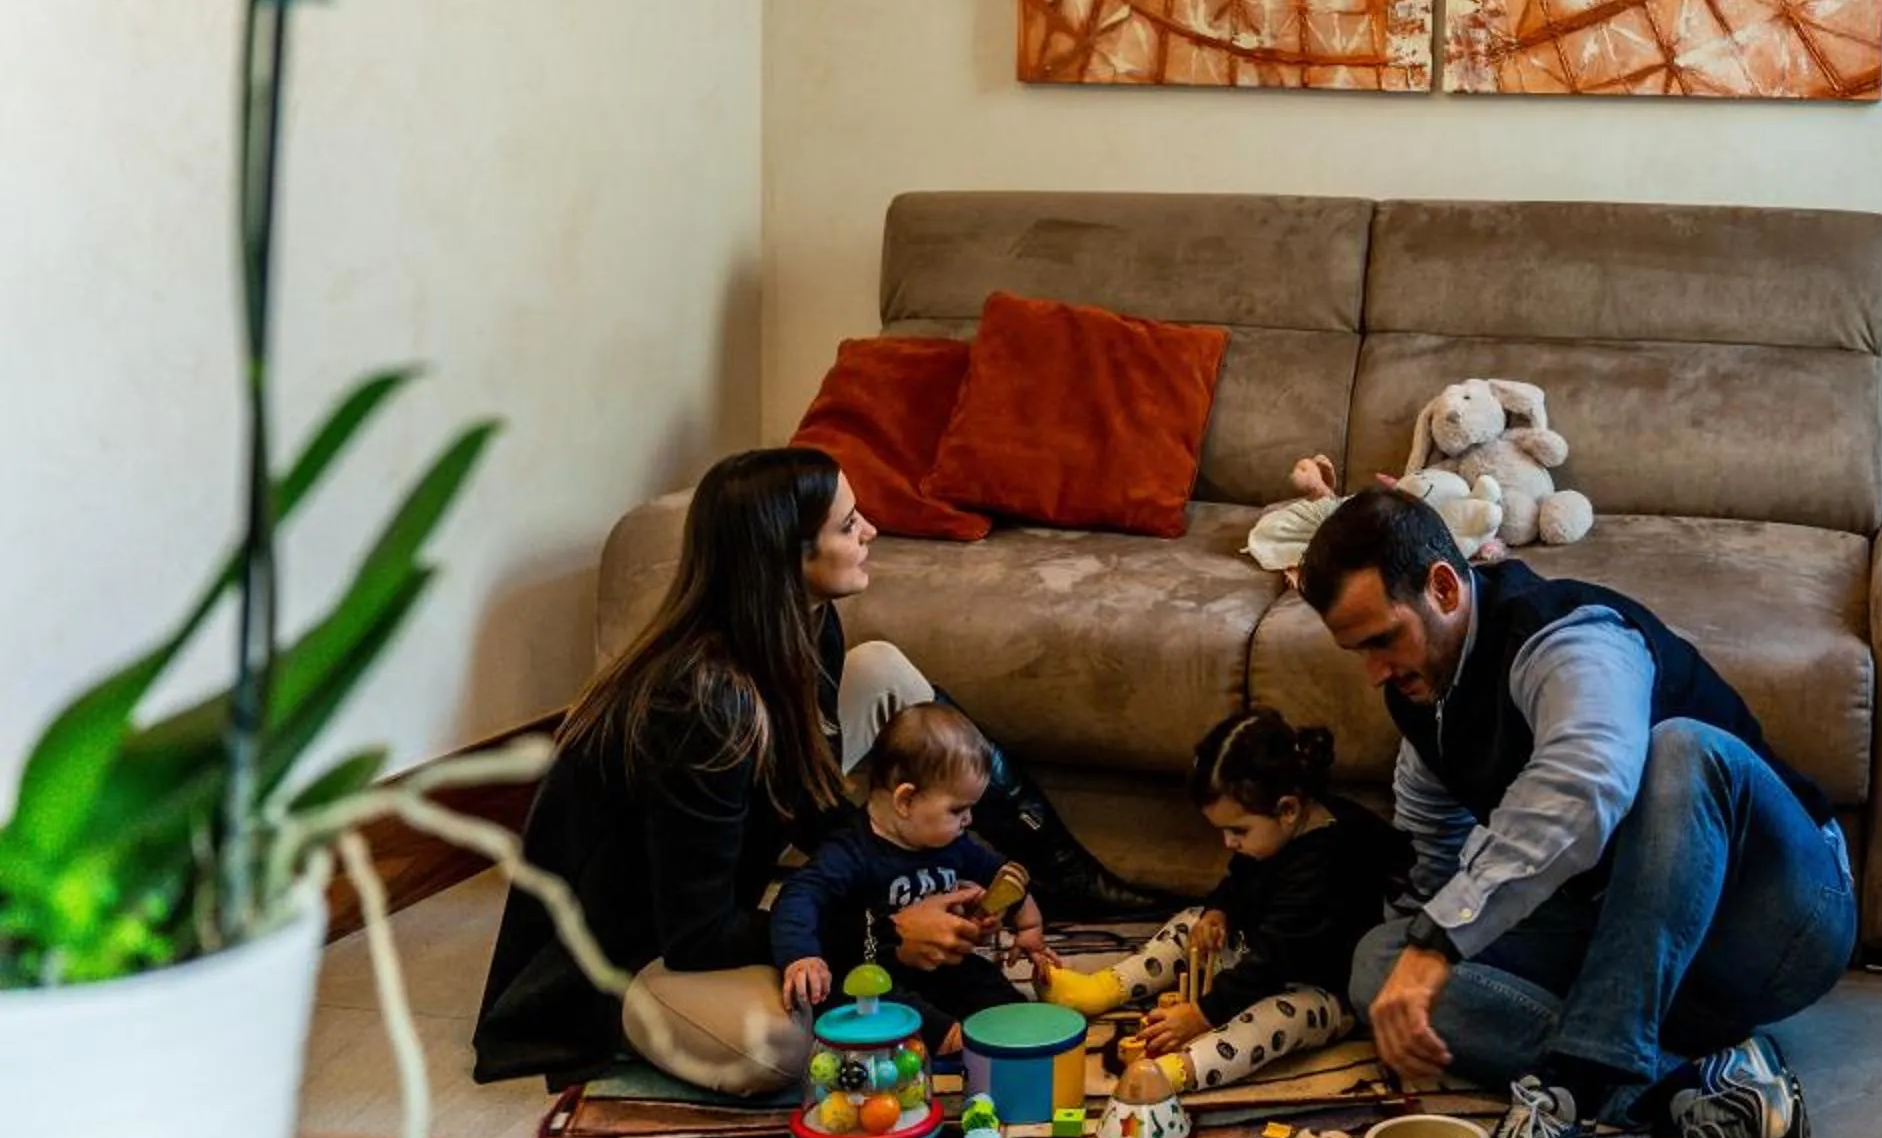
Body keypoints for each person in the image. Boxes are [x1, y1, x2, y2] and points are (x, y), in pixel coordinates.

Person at [471, 446, 1155, 1093]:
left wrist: (916, 875)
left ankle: (1066, 873)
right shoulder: (702, 704)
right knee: (785, 1046)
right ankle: (637, 1026)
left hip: (704, 907)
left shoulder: (806, 624)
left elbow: (807, 797)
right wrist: (883, 928)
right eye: (848, 523)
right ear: (787, 555)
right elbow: (697, 934)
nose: (872, 530)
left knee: (881, 667)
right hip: (625, 955)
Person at [1303, 488, 1855, 1138]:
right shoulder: (1421, 696)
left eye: (1382, 639)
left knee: (1678, 751)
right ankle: (1686, 1087)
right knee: (1379, 965)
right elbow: (1432, 849)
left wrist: (1442, 945)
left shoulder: (1568, 634)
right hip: (1633, 943)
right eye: (1355, 650)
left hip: (1777, 918)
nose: (1372, 671)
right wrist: (1414, 962)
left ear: (1443, 585)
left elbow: (1586, 779)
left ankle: (1565, 1103)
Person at [1044, 706, 1406, 1095]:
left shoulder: (1325, 862)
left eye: (1238, 830)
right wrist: (1219, 911)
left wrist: (1203, 1014)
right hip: (1259, 958)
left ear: (1288, 809)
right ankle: (1103, 988)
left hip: (1321, 990)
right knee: (1190, 920)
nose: (1228, 842)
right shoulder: (1271, 837)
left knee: (1275, 1019)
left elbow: (1273, 960)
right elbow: (1238, 881)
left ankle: (1183, 1070)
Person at [772, 702, 1047, 1050]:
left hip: (945, 965)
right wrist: (802, 956)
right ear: (906, 800)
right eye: (958, 809)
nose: (969, 821)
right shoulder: (852, 851)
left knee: (989, 984)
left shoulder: (951, 841)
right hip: (878, 973)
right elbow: (798, 895)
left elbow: (1003, 875)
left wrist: (1027, 927)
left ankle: (1009, 1030)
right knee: (875, 1007)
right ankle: (952, 1043)